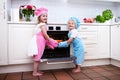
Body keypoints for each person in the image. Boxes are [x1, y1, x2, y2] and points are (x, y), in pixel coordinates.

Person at [28, 7, 58, 76]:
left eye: (46, 16)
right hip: (39, 42)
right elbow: (45, 34)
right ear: (39, 17)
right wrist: (50, 40)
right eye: (43, 16)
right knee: (37, 58)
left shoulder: (39, 25)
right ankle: (35, 72)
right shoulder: (42, 25)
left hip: (38, 41)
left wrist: (47, 42)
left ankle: (37, 70)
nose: (45, 17)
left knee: (38, 57)